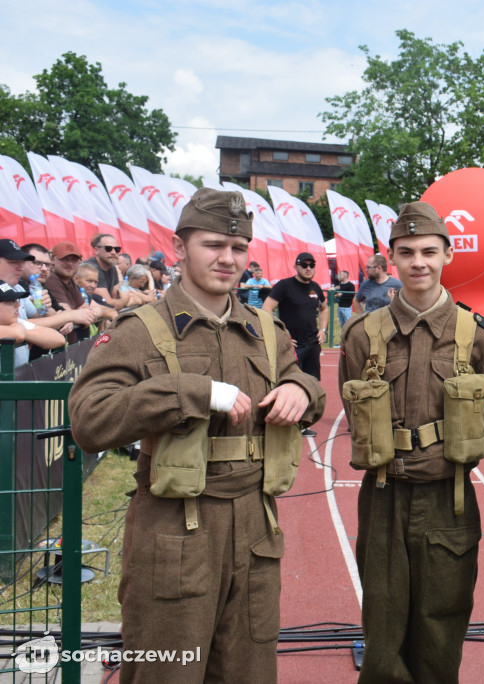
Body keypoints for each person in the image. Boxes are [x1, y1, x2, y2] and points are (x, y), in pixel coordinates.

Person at [68, 187, 326, 683]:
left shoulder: (265, 330)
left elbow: (305, 384)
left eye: (238, 248)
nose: (227, 258)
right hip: (174, 533)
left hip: (254, 531)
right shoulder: (139, 330)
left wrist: (300, 389)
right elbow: (90, 419)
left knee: (249, 671)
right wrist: (191, 392)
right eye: (213, 245)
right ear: (180, 247)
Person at [339, 200, 484, 683]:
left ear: (448, 255)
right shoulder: (360, 336)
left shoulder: (479, 337)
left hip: (447, 500)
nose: (418, 262)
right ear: (391, 258)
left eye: (429, 251)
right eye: (406, 251)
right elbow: (352, 410)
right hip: (384, 495)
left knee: (440, 631)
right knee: (383, 633)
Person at [262, 253, 328, 380]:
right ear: (296, 267)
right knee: (290, 383)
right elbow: (266, 308)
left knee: (313, 383)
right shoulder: (284, 285)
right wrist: (279, 334)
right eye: (304, 265)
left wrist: (323, 330)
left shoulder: (315, 287)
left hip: (313, 345)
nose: (308, 268)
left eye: (311, 265)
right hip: (292, 346)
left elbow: (324, 308)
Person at [44, 241, 96, 345]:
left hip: (71, 348)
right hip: (57, 351)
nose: (70, 263)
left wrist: (78, 314)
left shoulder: (70, 279)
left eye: (74, 260)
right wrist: (77, 314)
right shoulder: (51, 279)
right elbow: (67, 313)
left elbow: (86, 311)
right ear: (52, 260)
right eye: (64, 259)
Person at [0, 282, 65, 358]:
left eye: (16, 300)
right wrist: (25, 334)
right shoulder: (17, 325)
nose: (18, 305)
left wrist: (26, 334)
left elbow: (59, 339)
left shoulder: (15, 323)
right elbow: (19, 334)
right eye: (10, 302)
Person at [83, 233, 130, 309]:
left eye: (117, 249)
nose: (113, 252)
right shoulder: (91, 269)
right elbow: (108, 305)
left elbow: (115, 297)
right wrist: (125, 300)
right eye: (108, 248)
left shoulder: (112, 267)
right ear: (96, 250)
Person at [333, 269, 355, 334]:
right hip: (340, 307)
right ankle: (343, 341)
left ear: (345, 276)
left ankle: (350, 340)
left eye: (340, 275)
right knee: (342, 325)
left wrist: (341, 295)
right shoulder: (340, 284)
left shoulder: (351, 285)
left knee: (349, 325)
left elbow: (351, 296)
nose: (339, 276)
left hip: (347, 308)